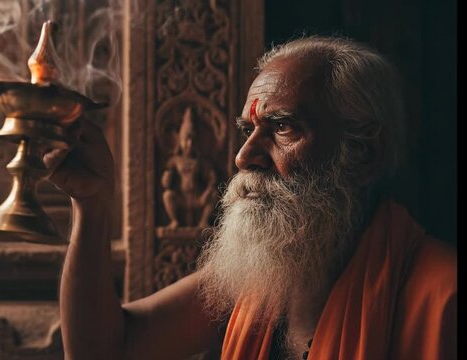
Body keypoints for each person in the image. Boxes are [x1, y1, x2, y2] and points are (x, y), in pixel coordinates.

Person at [42, 36, 456, 360]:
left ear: (363, 153)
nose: (244, 157)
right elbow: (103, 350)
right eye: (247, 131)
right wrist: (92, 204)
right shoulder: (262, 278)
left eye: (282, 128)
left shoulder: (442, 297)